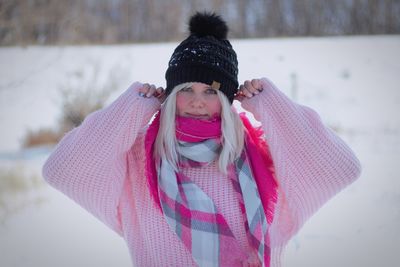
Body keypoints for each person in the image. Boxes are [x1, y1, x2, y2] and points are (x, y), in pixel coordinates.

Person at [42, 12, 361, 267]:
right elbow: (63, 170)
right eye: (186, 90)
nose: (197, 101)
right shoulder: (140, 155)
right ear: (171, 94)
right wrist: (129, 109)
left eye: (210, 91)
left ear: (226, 98)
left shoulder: (252, 154)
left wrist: (272, 107)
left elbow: (341, 169)